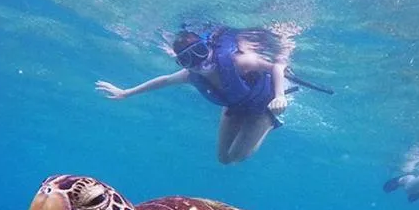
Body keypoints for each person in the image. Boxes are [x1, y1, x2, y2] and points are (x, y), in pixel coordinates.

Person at [95, 27, 290, 164]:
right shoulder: (191, 75)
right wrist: (126, 93)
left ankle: (270, 122)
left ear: (208, 48)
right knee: (223, 159)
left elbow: (277, 66)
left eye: (199, 52)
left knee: (237, 156)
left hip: (262, 107)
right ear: (183, 64)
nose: (198, 62)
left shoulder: (239, 61)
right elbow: (164, 80)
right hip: (235, 107)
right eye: (187, 59)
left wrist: (280, 96)